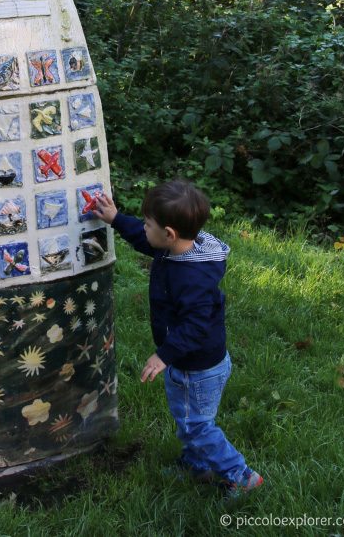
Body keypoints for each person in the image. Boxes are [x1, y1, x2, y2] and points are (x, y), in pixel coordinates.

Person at [93, 179, 263, 498]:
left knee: (196, 425)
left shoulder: (192, 278)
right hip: (193, 362)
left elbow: (196, 327)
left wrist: (164, 355)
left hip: (195, 367)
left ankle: (241, 476)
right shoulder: (178, 248)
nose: (143, 229)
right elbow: (147, 242)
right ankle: (197, 465)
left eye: (147, 224)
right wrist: (116, 219)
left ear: (169, 233)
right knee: (191, 418)